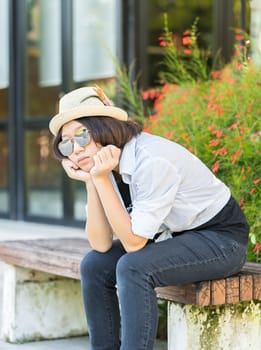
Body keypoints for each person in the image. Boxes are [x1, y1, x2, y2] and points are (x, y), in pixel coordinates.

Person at [49, 86, 249, 350]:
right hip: (174, 238)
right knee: (94, 265)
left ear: (104, 128)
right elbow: (100, 245)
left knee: (132, 267)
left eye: (82, 135)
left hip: (221, 241)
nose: (75, 149)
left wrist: (99, 179)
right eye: (66, 143)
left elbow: (134, 245)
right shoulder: (103, 163)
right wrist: (91, 181)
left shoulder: (151, 159)